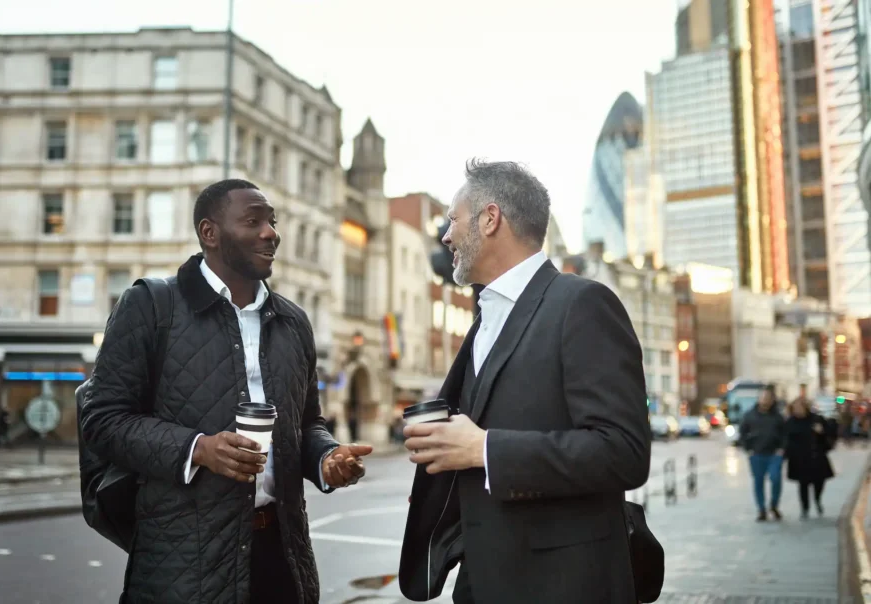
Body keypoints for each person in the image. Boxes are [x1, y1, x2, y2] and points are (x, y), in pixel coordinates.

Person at [80, 179, 372, 604]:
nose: (271, 233)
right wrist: (198, 449)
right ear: (209, 233)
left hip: (282, 559)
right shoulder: (150, 306)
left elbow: (307, 423)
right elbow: (102, 421)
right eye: (253, 221)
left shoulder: (294, 323)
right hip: (183, 565)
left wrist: (327, 458)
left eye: (272, 222)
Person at [398, 159, 651, 603]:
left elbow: (624, 452)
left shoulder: (583, 304)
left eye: (453, 220)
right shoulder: (484, 318)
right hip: (482, 581)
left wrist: (484, 449)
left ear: (490, 219)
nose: (446, 236)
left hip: (562, 586)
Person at [740, 385, 786, 522]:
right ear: (759, 399)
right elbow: (742, 433)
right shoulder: (749, 415)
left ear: (772, 400)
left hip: (774, 454)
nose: (765, 400)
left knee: (775, 478)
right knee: (758, 482)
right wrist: (748, 449)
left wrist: (781, 449)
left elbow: (784, 434)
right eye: (763, 397)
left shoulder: (778, 417)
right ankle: (761, 509)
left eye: (768, 398)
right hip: (757, 454)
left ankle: (774, 505)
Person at [785, 397, 835, 518]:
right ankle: (805, 508)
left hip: (816, 456)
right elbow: (786, 439)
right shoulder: (790, 422)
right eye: (795, 408)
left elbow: (830, 433)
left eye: (800, 407)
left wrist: (821, 432)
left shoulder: (816, 419)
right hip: (799, 458)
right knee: (803, 484)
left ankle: (817, 499)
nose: (797, 410)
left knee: (819, 482)